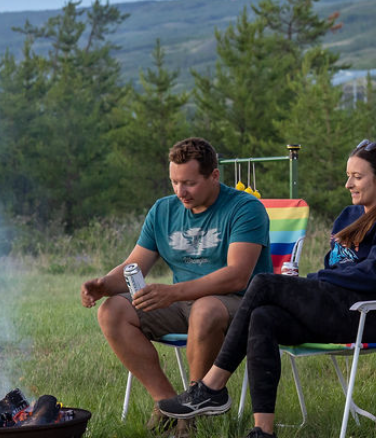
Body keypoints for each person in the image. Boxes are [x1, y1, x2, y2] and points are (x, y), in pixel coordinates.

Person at [157, 139, 376, 438]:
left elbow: (374, 275)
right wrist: (321, 282)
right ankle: (263, 433)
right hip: (339, 309)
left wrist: (317, 280)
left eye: (357, 176)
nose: (347, 183)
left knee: (263, 283)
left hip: (375, 317)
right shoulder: (348, 217)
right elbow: (338, 266)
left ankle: (212, 385)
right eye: (348, 175)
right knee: (263, 317)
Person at [81, 137, 267, 421]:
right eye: (175, 182)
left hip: (237, 304)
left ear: (214, 176)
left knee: (205, 309)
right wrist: (103, 285)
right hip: (182, 303)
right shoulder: (163, 210)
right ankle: (168, 405)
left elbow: (237, 276)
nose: (181, 191)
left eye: (190, 183)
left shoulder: (245, 208)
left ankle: (196, 405)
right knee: (112, 311)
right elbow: (134, 267)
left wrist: (174, 292)